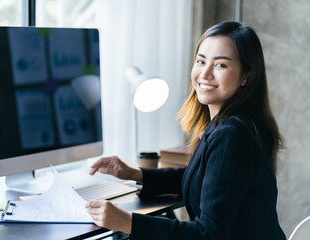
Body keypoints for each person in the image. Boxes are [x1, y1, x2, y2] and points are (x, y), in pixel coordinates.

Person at [85, 21, 286, 240]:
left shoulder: (231, 135)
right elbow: (204, 179)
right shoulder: (238, 124)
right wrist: (135, 174)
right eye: (201, 61)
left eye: (221, 65)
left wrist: (127, 222)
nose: (205, 74)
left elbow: (208, 234)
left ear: (246, 76)